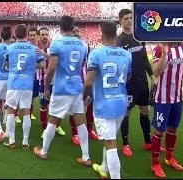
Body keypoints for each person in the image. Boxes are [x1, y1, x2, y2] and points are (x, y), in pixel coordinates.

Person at [34, 15, 91, 167]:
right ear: (73, 28)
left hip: (61, 88)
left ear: (60, 27)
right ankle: (86, 156)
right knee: (80, 121)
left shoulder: (57, 44)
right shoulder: (83, 45)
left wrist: (46, 87)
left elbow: (51, 67)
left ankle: (44, 151)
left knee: (53, 119)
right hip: (77, 86)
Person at [84, 21, 132, 179]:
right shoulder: (126, 54)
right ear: (116, 34)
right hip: (120, 103)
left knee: (110, 144)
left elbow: (89, 81)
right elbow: (128, 76)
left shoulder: (96, 54)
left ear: (101, 34)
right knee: (110, 139)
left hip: (104, 106)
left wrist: (84, 98)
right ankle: (104, 169)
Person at [116, 9, 161, 157]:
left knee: (145, 111)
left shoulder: (139, 37)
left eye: (130, 18)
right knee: (126, 113)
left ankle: (148, 141)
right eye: (126, 19)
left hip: (142, 82)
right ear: (120, 22)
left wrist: (152, 76)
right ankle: (126, 144)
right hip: (128, 84)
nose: (129, 21)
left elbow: (144, 59)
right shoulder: (120, 41)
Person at [150, 42, 183, 178]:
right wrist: (164, 55)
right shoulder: (159, 48)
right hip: (162, 99)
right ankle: (155, 163)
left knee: (173, 128)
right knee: (159, 130)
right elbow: (156, 73)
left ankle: (169, 158)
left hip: (177, 97)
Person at [3, 24, 45, 149]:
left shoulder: (10, 48)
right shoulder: (34, 48)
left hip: (14, 83)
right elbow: (42, 65)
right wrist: (31, 67)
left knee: (11, 111)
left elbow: (7, 65)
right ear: (27, 35)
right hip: (27, 84)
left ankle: (12, 141)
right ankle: (25, 142)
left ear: (14, 35)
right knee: (26, 112)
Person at [69, 26, 98, 145]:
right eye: (73, 31)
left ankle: (90, 130)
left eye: (77, 31)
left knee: (90, 106)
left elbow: (91, 62)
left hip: (86, 81)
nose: (76, 33)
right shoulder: (67, 47)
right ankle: (75, 133)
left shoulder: (86, 46)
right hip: (73, 82)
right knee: (75, 109)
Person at [36, 26, 66, 138]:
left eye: (46, 34)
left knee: (59, 106)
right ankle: (45, 129)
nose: (44, 37)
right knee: (44, 105)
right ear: (39, 36)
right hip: (42, 82)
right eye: (42, 34)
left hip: (56, 82)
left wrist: (45, 55)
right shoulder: (36, 49)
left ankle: (57, 126)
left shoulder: (53, 49)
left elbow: (59, 63)